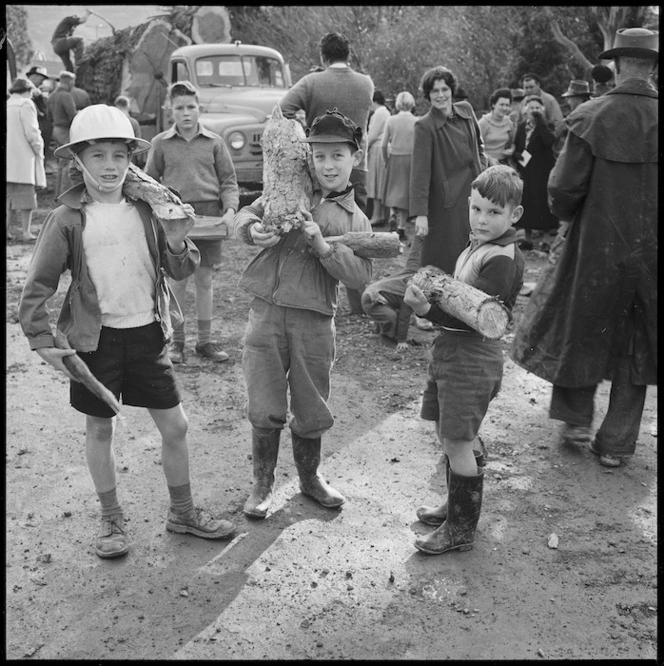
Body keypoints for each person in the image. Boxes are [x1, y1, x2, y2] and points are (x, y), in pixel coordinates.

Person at [17, 104, 236, 560]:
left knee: (176, 425)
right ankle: (112, 518)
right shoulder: (68, 218)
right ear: (78, 161)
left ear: (132, 158)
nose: (110, 166)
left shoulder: (149, 207)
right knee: (100, 429)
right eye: (97, 156)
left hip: (147, 334)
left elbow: (178, 267)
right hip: (95, 342)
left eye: (119, 155)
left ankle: (182, 511)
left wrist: (177, 239)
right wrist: (41, 342)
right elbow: (38, 285)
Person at [511, 27, 658, 468]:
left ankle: (576, 421)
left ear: (615, 66)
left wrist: (572, 215)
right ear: (653, 68)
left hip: (596, 245)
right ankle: (616, 444)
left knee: (584, 324)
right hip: (652, 254)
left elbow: (562, 190)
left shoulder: (590, 116)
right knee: (639, 339)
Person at [232, 109, 372, 519]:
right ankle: (263, 483)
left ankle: (310, 478)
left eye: (337, 156)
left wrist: (323, 246)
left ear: (354, 159)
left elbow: (361, 276)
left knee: (311, 402)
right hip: (267, 313)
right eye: (320, 156)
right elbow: (246, 212)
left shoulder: (353, 218)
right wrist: (250, 229)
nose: (328, 165)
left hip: (313, 320)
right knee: (263, 398)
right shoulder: (288, 187)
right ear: (308, 157)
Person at [404, 165, 525, 555]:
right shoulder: (478, 246)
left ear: (514, 215)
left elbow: (475, 320)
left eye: (493, 212)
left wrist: (425, 311)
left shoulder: (502, 260)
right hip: (452, 352)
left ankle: (461, 528)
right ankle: (455, 504)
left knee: (457, 439)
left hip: (472, 357)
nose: (481, 219)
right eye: (476, 209)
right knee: (450, 432)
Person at [279, 31, 374, 315]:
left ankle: (316, 295)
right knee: (357, 235)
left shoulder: (311, 82)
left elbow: (283, 109)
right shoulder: (366, 83)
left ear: (323, 57)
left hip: (320, 165)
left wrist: (303, 130)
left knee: (316, 228)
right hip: (356, 164)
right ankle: (359, 302)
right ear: (348, 54)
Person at [146, 80, 240, 364]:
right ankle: (177, 342)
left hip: (210, 217)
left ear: (199, 109)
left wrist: (230, 210)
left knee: (205, 279)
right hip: (176, 219)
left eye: (191, 107)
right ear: (170, 110)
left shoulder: (215, 142)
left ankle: (205, 341)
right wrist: (160, 212)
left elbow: (228, 181)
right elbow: (151, 182)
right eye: (179, 108)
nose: (186, 113)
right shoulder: (161, 143)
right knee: (177, 280)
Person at [409, 65, 488, 276]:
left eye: (445, 89)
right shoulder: (424, 126)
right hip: (447, 202)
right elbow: (419, 173)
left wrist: (482, 170)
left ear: (452, 90)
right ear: (428, 95)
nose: (441, 95)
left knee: (476, 250)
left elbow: (480, 147)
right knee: (445, 256)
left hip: (476, 194)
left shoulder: (467, 111)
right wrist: (420, 214)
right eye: (435, 91)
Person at [361, 234, 423, 350]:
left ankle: (380, 330)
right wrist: (402, 340)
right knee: (391, 316)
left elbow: (414, 257)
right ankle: (387, 338)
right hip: (371, 299)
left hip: (374, 294)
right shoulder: (409, 292)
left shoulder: (411, 272)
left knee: (389, 310)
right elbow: (404, 318)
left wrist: (419, 237)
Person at [513, 94, 558, 250]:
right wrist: (518, 156)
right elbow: (517, 147)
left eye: (537, 107)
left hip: (543, 169)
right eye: (531, 107)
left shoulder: (548, 126)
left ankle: (546, 240)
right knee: (528, 201)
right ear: (525, 109)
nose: (534, 110)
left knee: (543, 202)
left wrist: (540, 124)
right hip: (527, 169)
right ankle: (527, 238)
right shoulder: (520, 126)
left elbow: (549, 141)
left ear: (543, 109)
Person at [6, 78, 46, 242]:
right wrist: (39, 149)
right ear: (28, 90)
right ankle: (25, 232)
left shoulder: (8, 104)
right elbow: (32, 132)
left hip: (8, 158)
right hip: (23, 158)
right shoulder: (26, 104)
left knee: (8, 199)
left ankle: (7, 231)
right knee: (27, 199)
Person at [380, 90, 417, 242]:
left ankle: (391, 216)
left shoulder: (391, 120)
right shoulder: (417, 121)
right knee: (405, 195)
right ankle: (401, 228)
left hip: (394, 157)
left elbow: (383, 145)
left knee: (392, 191)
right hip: (410, 159)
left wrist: (386, 160)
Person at [46, 71, 77, 197]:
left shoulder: (52, 96)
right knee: (67, 162)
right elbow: (72, 116)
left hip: (55, 129)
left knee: (60, 163)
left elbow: (48, 115)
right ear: (69, 81)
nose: (73, 85)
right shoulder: (66, 96)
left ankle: (57, 194)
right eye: (73, 83)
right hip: (65, 130)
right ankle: (65, 195)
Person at [366, 89, 391, 226]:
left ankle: (377, 216)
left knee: (376, 183)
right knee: (379, 182)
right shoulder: (385, 112)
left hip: (377, 149)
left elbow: (372, 135)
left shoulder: (379, 113)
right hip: (383, 148)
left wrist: (364, 150)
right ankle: (381, 215)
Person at [478, 87, 516, 166]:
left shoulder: (509, 123)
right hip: (486, 163)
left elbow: (513, 143)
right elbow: (477, 147)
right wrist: (490, 159)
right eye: (501, 104)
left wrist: (511, 150)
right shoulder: (483, 123)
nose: (504, 108)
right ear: (493, 104)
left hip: (504, 163)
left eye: (507, 105)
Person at [555, 80, 592, 156]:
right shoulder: (593, 112)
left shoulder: (573, 119)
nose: (568, 102)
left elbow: (559, 149)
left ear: (578, 98)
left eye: (569, 98)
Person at [26, 65, 52, 158]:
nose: (42, 81)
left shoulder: (33, 88)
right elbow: (29, 102)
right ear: (35, 76)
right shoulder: (30, 88)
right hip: (39, 123)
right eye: (41, 78)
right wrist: (39, 112)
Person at [115, 95, 145, 167]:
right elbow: (139, 143)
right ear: (128, 107)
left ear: (116, 106)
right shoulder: (134, 122)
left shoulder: (112, 122)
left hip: (114, 159)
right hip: (130, 161)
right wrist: (140, 162)